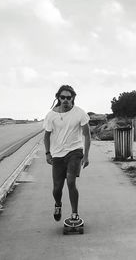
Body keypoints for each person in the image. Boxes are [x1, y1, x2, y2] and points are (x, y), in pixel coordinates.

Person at [43, 85, 91, 223]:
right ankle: (58, 204)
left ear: (73, 98)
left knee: (71, 181)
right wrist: (47, 153)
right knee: (57, 188)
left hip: (75, 151)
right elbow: (46, 136)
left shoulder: (80, 113)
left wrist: (86, 155)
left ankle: (74, 213)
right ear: (58, 97)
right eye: (62, 97)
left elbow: (87, 135)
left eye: (68, 97)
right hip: (57, 154)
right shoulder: (51, 115)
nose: (65, 100)